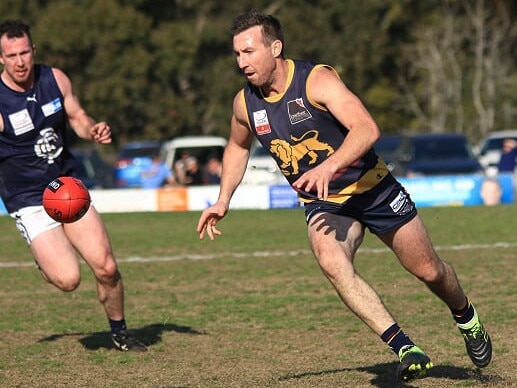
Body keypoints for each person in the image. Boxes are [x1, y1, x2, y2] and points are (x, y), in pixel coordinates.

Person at [197, 11, 492, 382]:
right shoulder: (245, 104)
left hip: (374, 188)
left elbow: (367, 129)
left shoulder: (316, 81)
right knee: (330, 260)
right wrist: (223, 199)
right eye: (237, 54)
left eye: (249, 52)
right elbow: (237, 148)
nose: (242, 62)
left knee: (429, 271)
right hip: (326, 203)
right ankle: (405, 347)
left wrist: (328, 166)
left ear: (275, 48)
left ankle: (466, 316)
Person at [0, 20, 146, 351]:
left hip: (67, 189)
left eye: (25, 52)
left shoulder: (55, 78)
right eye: (12, 56)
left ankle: (120, 333)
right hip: (28, 200)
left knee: (107, 267)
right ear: (1, 58)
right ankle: (43, 254)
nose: (20, 61)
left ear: (33, 50)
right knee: (68, 280)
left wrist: (93, 129)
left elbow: (78, 117)